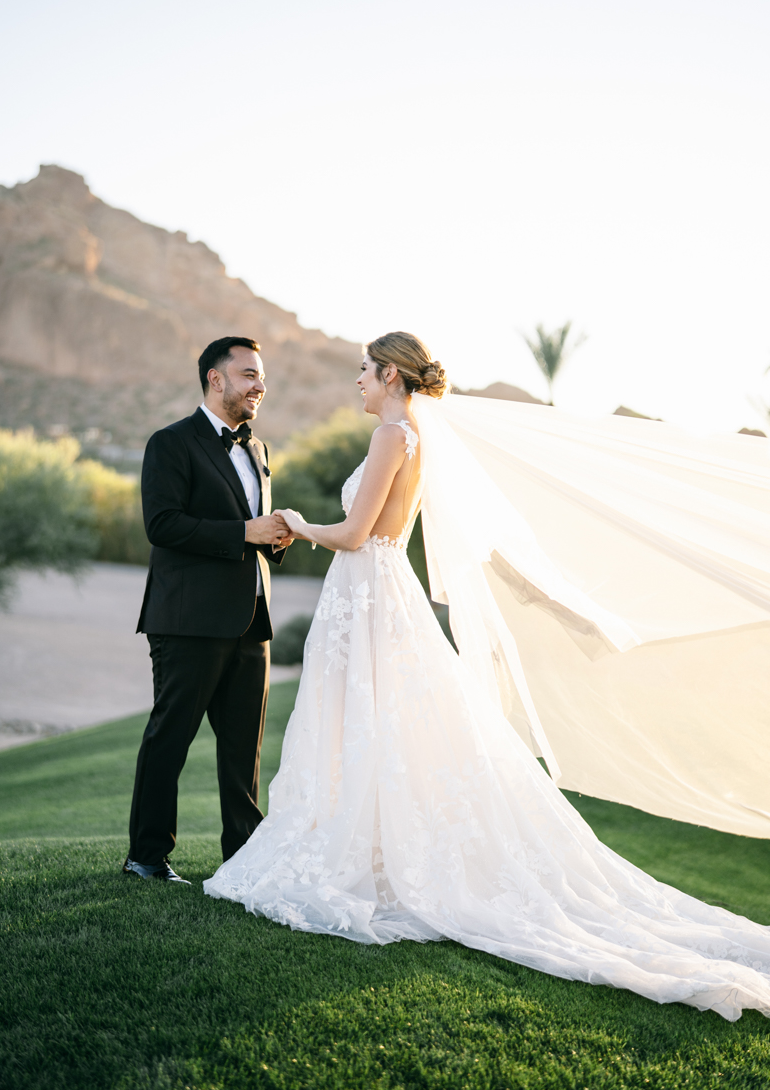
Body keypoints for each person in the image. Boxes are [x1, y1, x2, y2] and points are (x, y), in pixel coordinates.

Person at [204, 331, 770, 1021]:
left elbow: (355, 535)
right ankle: (378, 847)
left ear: (390, 375)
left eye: (363, 370)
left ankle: (372, 854)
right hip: (377, 595)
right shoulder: (413, 433)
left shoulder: (392, 436)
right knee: (379, 726)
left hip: (370, 590)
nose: (356, 380)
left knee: (366, 722)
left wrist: (295, 520)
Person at [124, 337, 292, 884]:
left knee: (244, 750)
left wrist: (273, 538)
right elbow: (163, 525)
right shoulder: (170, 443)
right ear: (215, 379)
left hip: (252, 622)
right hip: (188, 621)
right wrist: (246, 531)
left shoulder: (259, 450)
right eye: (248, 375)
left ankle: (242, 860)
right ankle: (146, 858)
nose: (258, 385)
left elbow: (250, 532)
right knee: (170, 738)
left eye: (260, 376)